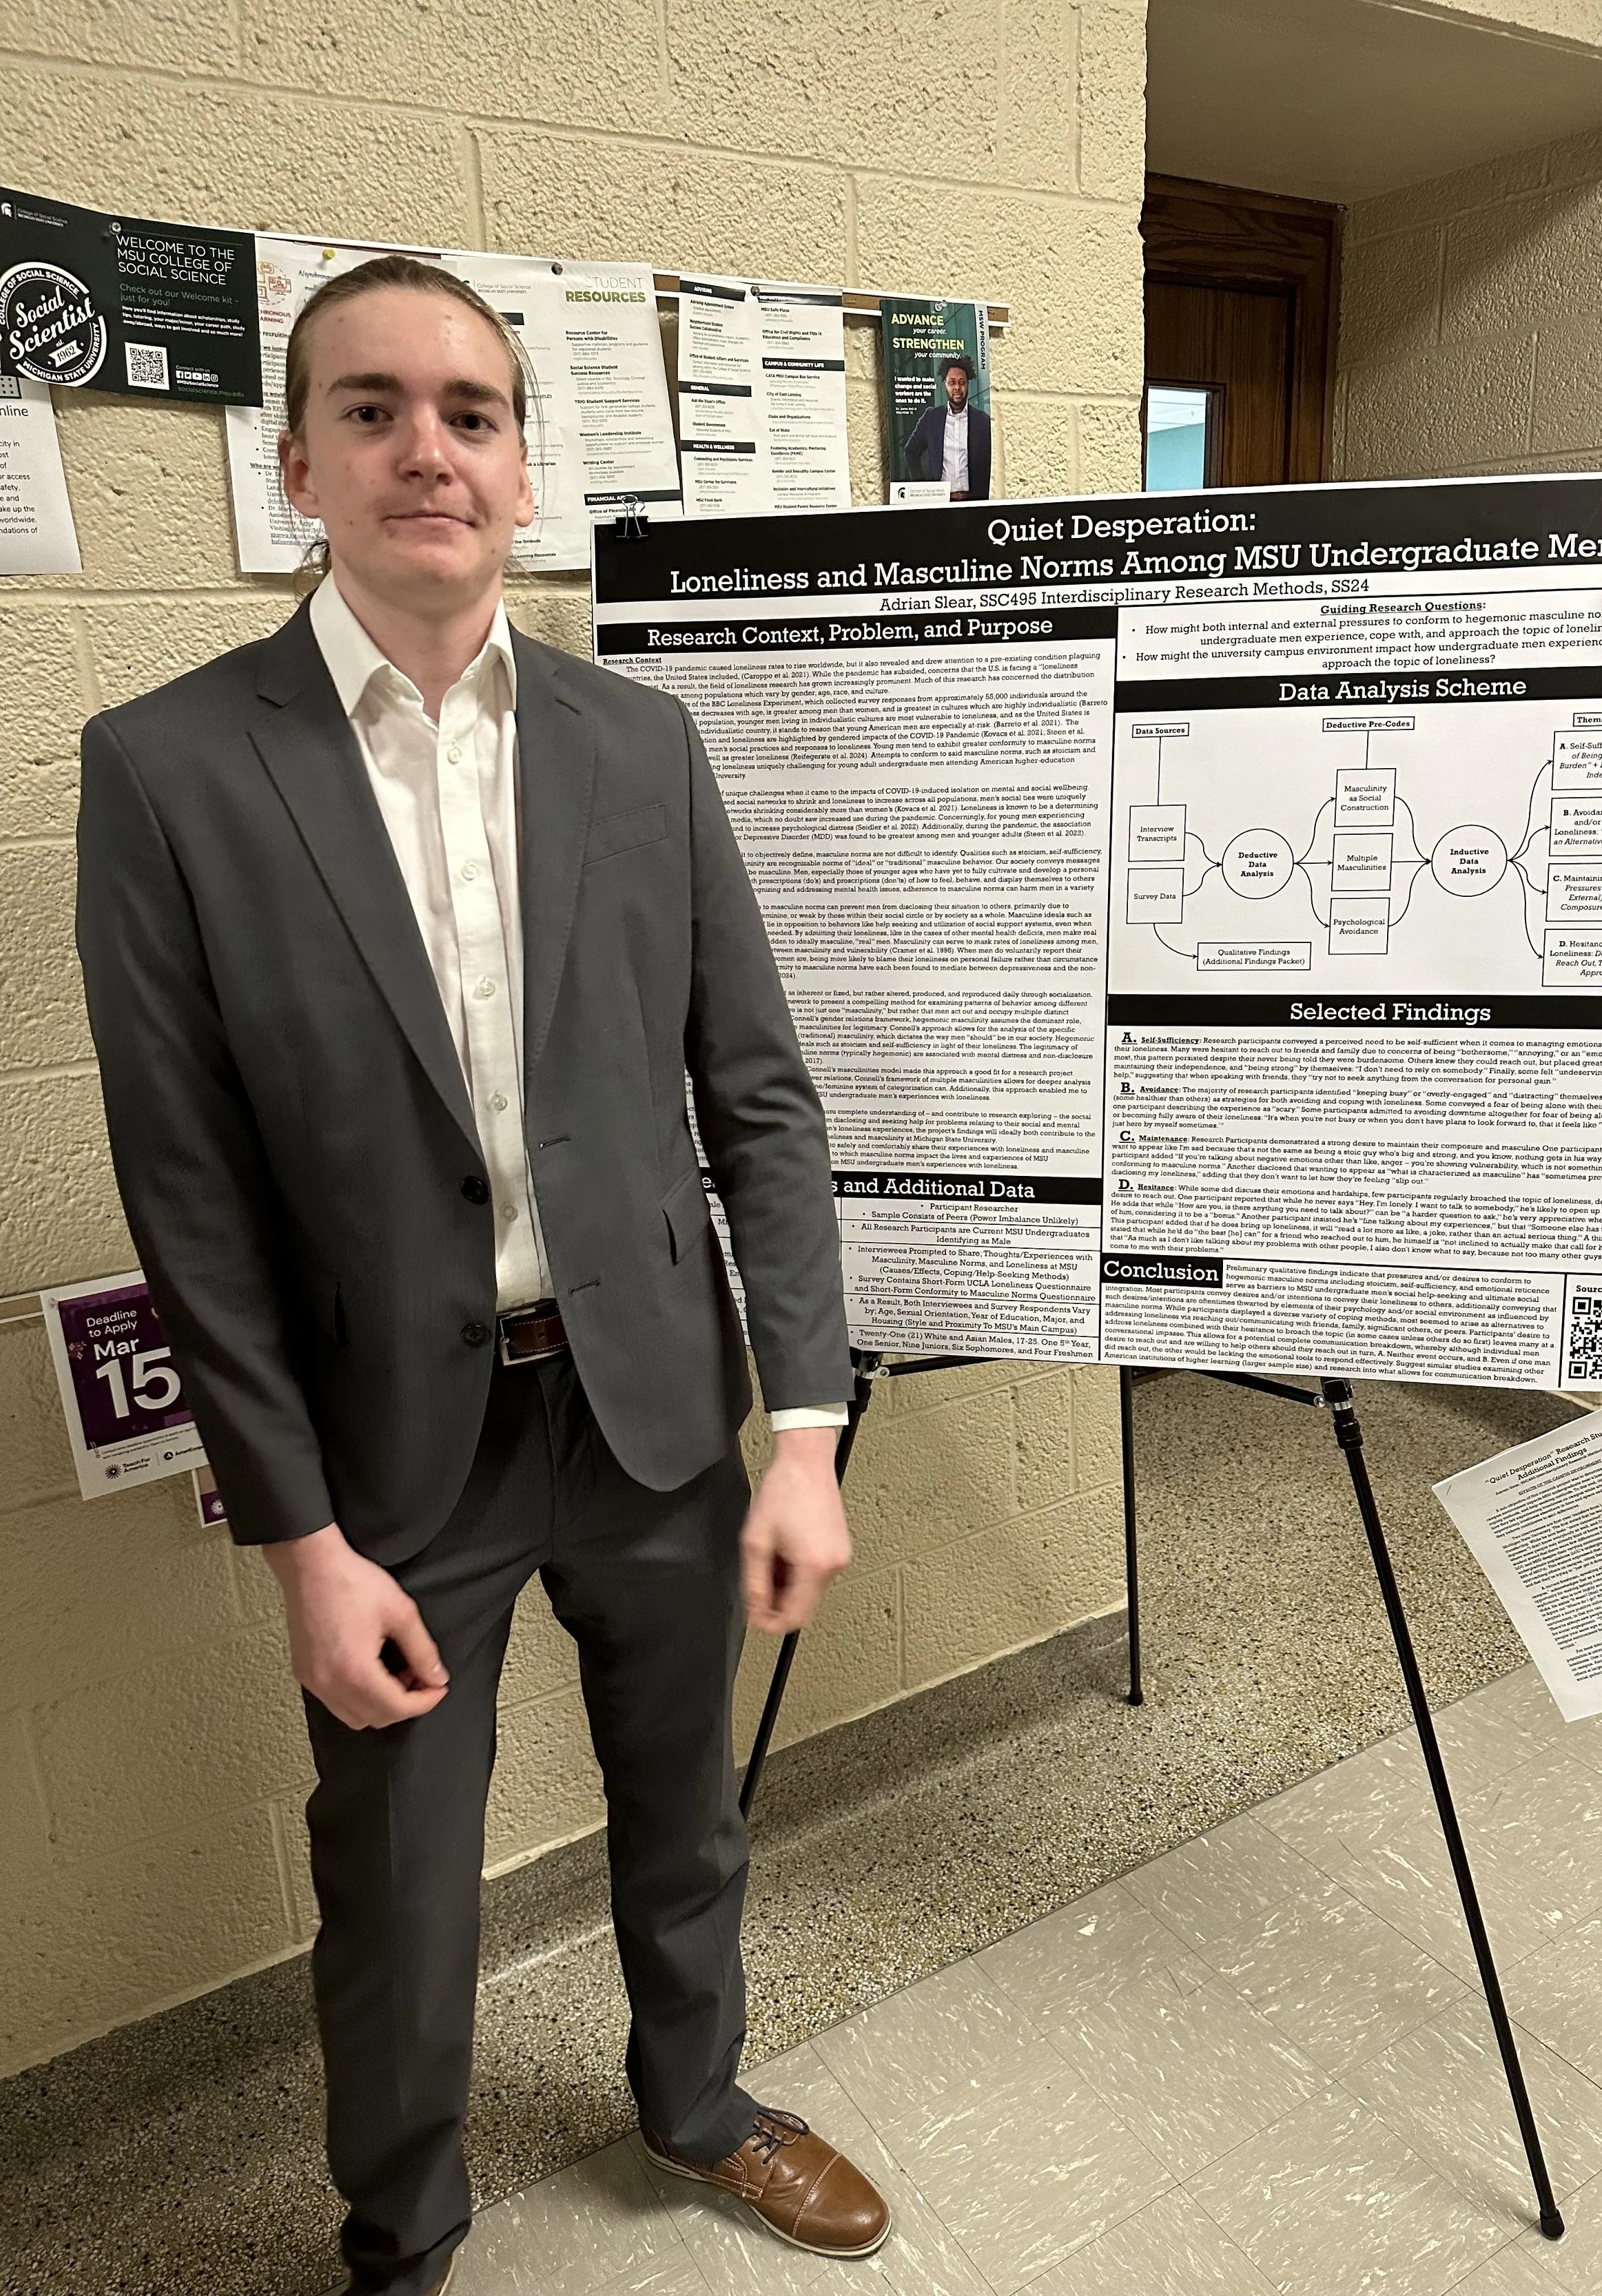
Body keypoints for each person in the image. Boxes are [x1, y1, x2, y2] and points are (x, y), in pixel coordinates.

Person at [75, 254, 890, 2296]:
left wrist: (800, 1428)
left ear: (526, 471)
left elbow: (758, 1103)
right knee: (402, 1887)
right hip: (387, 1462)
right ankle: (402, 2227)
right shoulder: (169, 767)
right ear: (299, 469)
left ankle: (695, 2103)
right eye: (371, 409)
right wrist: (299, 1542)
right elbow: (194, 1205)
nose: (424, 447)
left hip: (646, 1413)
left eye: (469, 410)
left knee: (681, 1812)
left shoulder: (641, 743)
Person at [902, 353, 992, 500]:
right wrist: (922, 487)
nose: (957, 387)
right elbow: (910, 451)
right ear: (945, 384)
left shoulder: (983, 421)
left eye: (962, 382)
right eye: (952, 382)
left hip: (974, 502)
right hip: (941, 502)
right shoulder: (932, 418)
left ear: (968, 384)